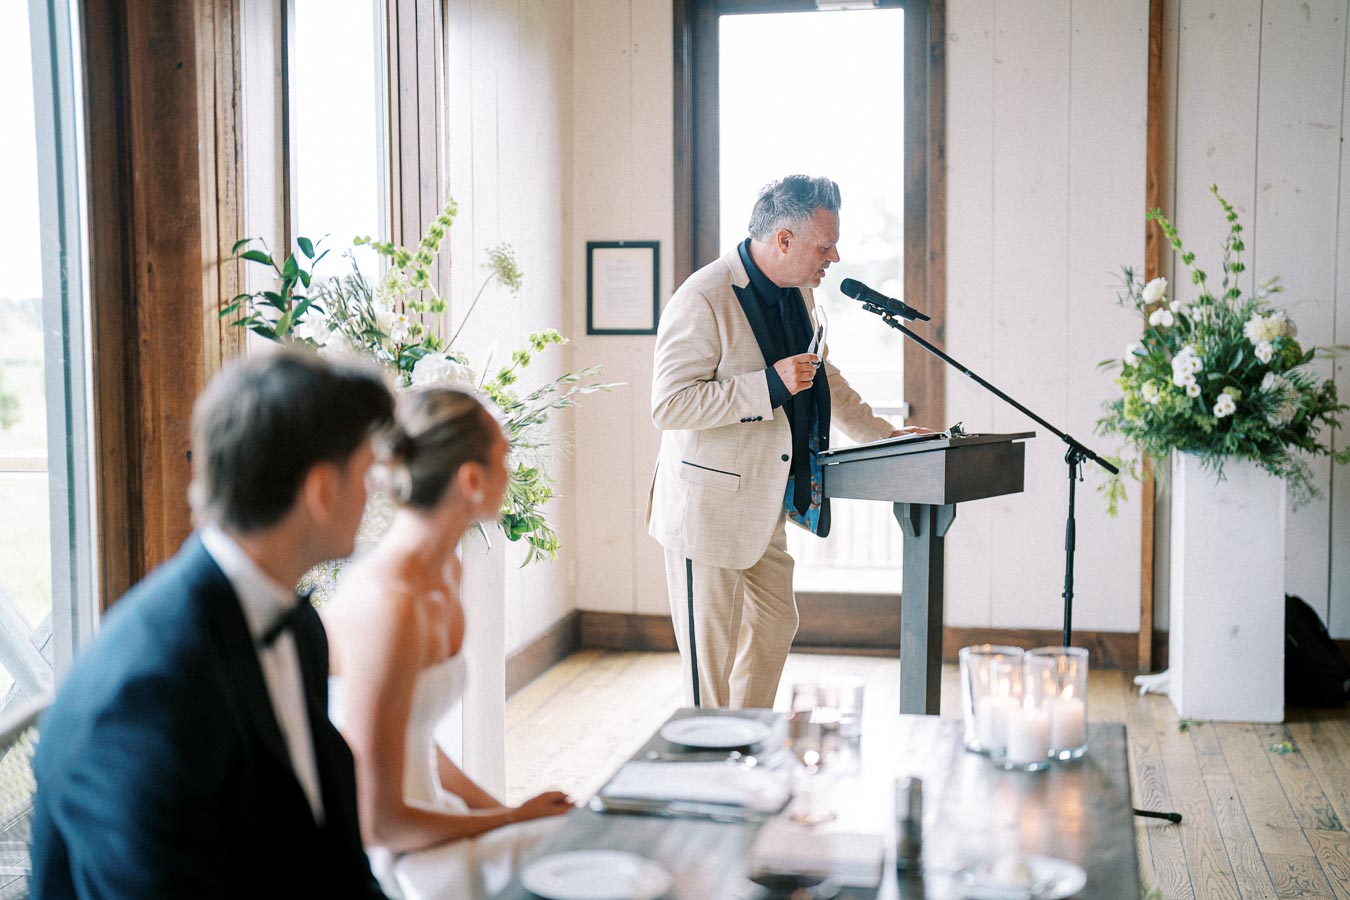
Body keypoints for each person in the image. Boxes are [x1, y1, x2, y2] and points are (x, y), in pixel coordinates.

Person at [32, 347, 394, 898]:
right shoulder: (147, 697)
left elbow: (332, 862)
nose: (373, 494)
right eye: (367, 472)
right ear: (321, 491)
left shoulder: (298, 630)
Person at [647, 174, 930, 710]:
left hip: (763, 506)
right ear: (784, 240)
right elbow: (669, 405)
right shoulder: (702, 297)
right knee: (709, 668)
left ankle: (746, 738)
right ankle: (707, 770)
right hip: (706, 513)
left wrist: (885, 436)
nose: (835, 256)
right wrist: (770, 385)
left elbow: (822, 374)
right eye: (825, 246)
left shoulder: (799, 291)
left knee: (777, 623)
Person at [323, 387, 571, 900]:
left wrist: (503, 814)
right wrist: (511, 818)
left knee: (578, 839)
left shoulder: (444, 572)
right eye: (505, 459)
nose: (511, 475)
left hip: (435, 821)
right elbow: (379, 824)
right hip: (393, 860)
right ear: (472, 480)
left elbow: (415, 743)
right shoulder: (387, 604)